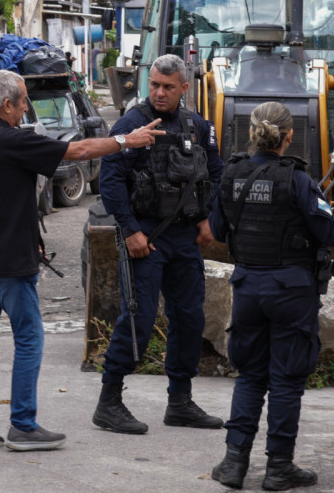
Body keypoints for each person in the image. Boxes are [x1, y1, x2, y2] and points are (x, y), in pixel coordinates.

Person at [0, 69, 163, 453]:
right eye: (22, 104)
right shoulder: (11, 140)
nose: (24, 111)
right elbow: (78, 152)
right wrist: (126, 140)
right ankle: (23, 425)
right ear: (7, 105)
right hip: (9, 264)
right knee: (29, 339)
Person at [207, 102, 334, 490]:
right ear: (289, 136)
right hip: (291, 291)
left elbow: (220, 232)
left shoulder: (231, 174)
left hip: (248, 289)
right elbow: (333, 232)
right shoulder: (298, 180)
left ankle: (233, 464)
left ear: (251, 133)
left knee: (250, 378)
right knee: (287, 380)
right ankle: (278, 469)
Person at [93, 54, 226, 435]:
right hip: (147, 237)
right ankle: (109, 401)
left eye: (168, 87)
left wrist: (208, 218)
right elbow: (112, 179)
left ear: (185, 88)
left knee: (189, 318)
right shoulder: (132, 123)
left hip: (185, 238)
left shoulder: (196, 125)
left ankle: (180, 402)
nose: (159, 93)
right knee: (140, 317)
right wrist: (131, 230)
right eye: (154, 85)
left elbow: (215, 174)